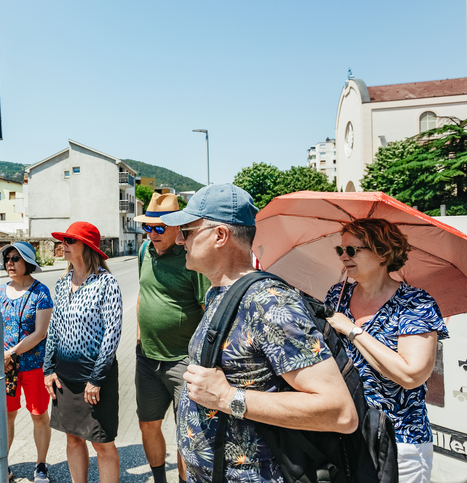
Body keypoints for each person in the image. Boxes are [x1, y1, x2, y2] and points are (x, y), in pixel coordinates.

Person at [161, 183, 358, 483]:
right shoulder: (222, 293)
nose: (178, 240)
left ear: (219, 235)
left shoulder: (269, 301)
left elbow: (340, 412)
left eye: (187, 231)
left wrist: (229, 397)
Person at [324, 218, 449, 483]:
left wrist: (352, 330)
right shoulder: (337, 296)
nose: (344, 256)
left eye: (353, 250)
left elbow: (411, 375)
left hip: (399, 441)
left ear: (383, 253)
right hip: (344, 435)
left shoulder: (415, 303)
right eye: (340, 250)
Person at [133, 193, 210, 483]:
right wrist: (139, 339)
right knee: (147, 424)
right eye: (148, 228)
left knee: (185, 432)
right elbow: (143, 294)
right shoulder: (144, 252)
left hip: (183, 362)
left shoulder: (191, 258)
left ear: (177, 227)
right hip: (147, 359)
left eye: (160, 228)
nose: (152, 234)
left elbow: (207, 309)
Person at [43, 222, 123, 483]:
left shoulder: (106, 283)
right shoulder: (63, 282)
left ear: (87, 247)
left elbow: (112, 334)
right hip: (64, 378)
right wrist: (48, 369)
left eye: (69, 241)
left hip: (95, 379)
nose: (63, 244)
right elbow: (54, 328)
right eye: (64, 240)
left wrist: (96, 379)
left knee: (102, 443)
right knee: (73, 437)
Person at [1, 241, 54, 483]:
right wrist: (1, 358)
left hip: (33, 366)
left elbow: (40, 333)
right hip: (6, 368)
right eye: (7, 258)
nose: (10, 263)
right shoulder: (1, 291)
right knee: (8, 415)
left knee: (38, 415)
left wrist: (11, 352)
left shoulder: (41, 292)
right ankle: (2, 462)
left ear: (28, 263)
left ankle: (41, 465)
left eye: (16, 258)